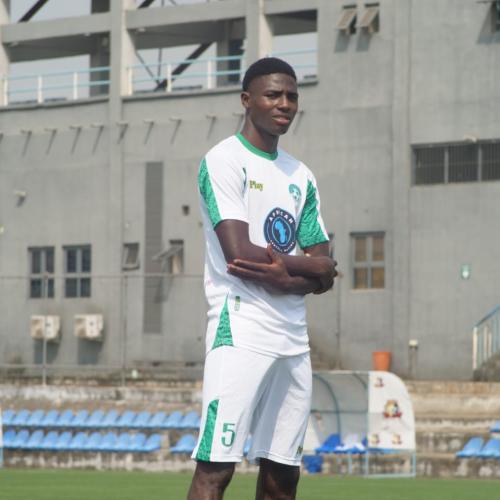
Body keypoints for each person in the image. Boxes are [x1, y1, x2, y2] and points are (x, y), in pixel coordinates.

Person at [188, 57, 337, 500]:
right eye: (273, 94)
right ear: (246, 99)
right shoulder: (223, 161)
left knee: (283, 476)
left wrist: (292, 277)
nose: (284, 104)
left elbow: (326, 264)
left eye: (291, 96)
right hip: (242, 327)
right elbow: (239, 254)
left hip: (293, 337)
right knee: (216, 470)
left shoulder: (300, 175)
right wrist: (310, 269)